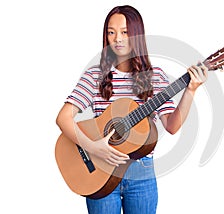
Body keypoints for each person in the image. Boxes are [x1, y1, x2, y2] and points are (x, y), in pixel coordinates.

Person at [56, 5, 207, 214]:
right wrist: (92, 147)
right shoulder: (94, 76)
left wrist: (190, 91)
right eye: (111, 32)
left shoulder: (155, 78)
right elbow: (63, 118)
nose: (117, 38)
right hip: (100, 169)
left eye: (125, 32)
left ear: (137, 35)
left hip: (141, 174)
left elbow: (172, 126)